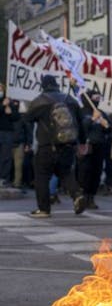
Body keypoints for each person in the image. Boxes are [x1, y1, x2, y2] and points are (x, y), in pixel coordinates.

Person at [24, 75, 86, 217]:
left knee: (42, 176)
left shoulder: (40, 101)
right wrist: (81, 143)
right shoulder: (69, 100)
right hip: (68, 145)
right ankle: (76, 194)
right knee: (65, 172)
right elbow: (80, 123)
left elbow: (27, 118)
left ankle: (44, 209)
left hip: (46, 146)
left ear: (43, 85)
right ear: (56, 84)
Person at [78, 88, 112, 209]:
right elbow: (81, 127)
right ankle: (83, 196)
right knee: (85, 171)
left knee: (96, 172)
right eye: (95, 99)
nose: (97, 101)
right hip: (87, 145)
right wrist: (92, 119)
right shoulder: (82, 112)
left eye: (99, 99)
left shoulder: (101, 113)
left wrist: (106, 125)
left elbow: (109, 129)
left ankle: (91, 197)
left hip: (99, 146)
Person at [0, 85, 20, 187]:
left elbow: (17, 117)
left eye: (1, 89)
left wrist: (11, 111)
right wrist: (3, 106)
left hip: (7, 133)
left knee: (6, 156)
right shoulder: (3, 103)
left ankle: (3, 178)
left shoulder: (11, 102)